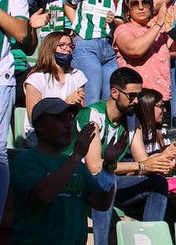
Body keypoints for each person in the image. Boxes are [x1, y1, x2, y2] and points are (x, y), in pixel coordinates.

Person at [77, 67, 170, 245]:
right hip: (79, 184)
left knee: (158, 183)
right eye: (131, 96)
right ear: (114, 92)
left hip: (108, 183)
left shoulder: (131, 120)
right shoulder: (93, 116)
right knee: (106, 180)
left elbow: (143, 161)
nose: (136, 101)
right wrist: (143, 166)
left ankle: (150, 240)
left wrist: (159, 163)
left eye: (139, 95)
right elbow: (95, 166)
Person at [11, 98, 114, 245]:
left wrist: (110, 167)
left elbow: (101, 203)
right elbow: (43, 196)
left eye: (70, 119)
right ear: (41, 126)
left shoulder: (76, 165)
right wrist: (77, 155)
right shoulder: (26, 161)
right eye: (60, 119)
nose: (68, 124)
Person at [128, 88, 176, 227]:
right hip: (136, 186)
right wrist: (163, 156)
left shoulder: (160, 132)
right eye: (160, 106)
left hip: (157, 183)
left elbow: (164, 169)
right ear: (147, 106)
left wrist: (168, 161)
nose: (164, 110)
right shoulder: (133, 131)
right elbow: (140, 167)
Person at [66, 0, 124, 105]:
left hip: (109, 47)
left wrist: (115, 21)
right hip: (86, 44)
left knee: (109, 97)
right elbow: (69, 5)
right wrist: (77, 26)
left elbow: (122, 22)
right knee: (91, 94)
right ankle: (88, 129)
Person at [113, 0, 176, 102]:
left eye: (145, 3)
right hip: (136, 99)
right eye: (135, 4)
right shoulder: (123, 29)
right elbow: (134, 50)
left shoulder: (159, 31)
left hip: (161, 98)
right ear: (127, 10)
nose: (141, 7)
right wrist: (159, 24)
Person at [22, 31, 86, 143]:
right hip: (40, 133)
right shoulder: (36, 78)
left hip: (68, 130)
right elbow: (34, 117)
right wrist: (64, 104)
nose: (68, 49)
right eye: (62, 45)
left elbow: (81, 112)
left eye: (70, 46)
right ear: (49, 48)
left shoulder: (77, 75)